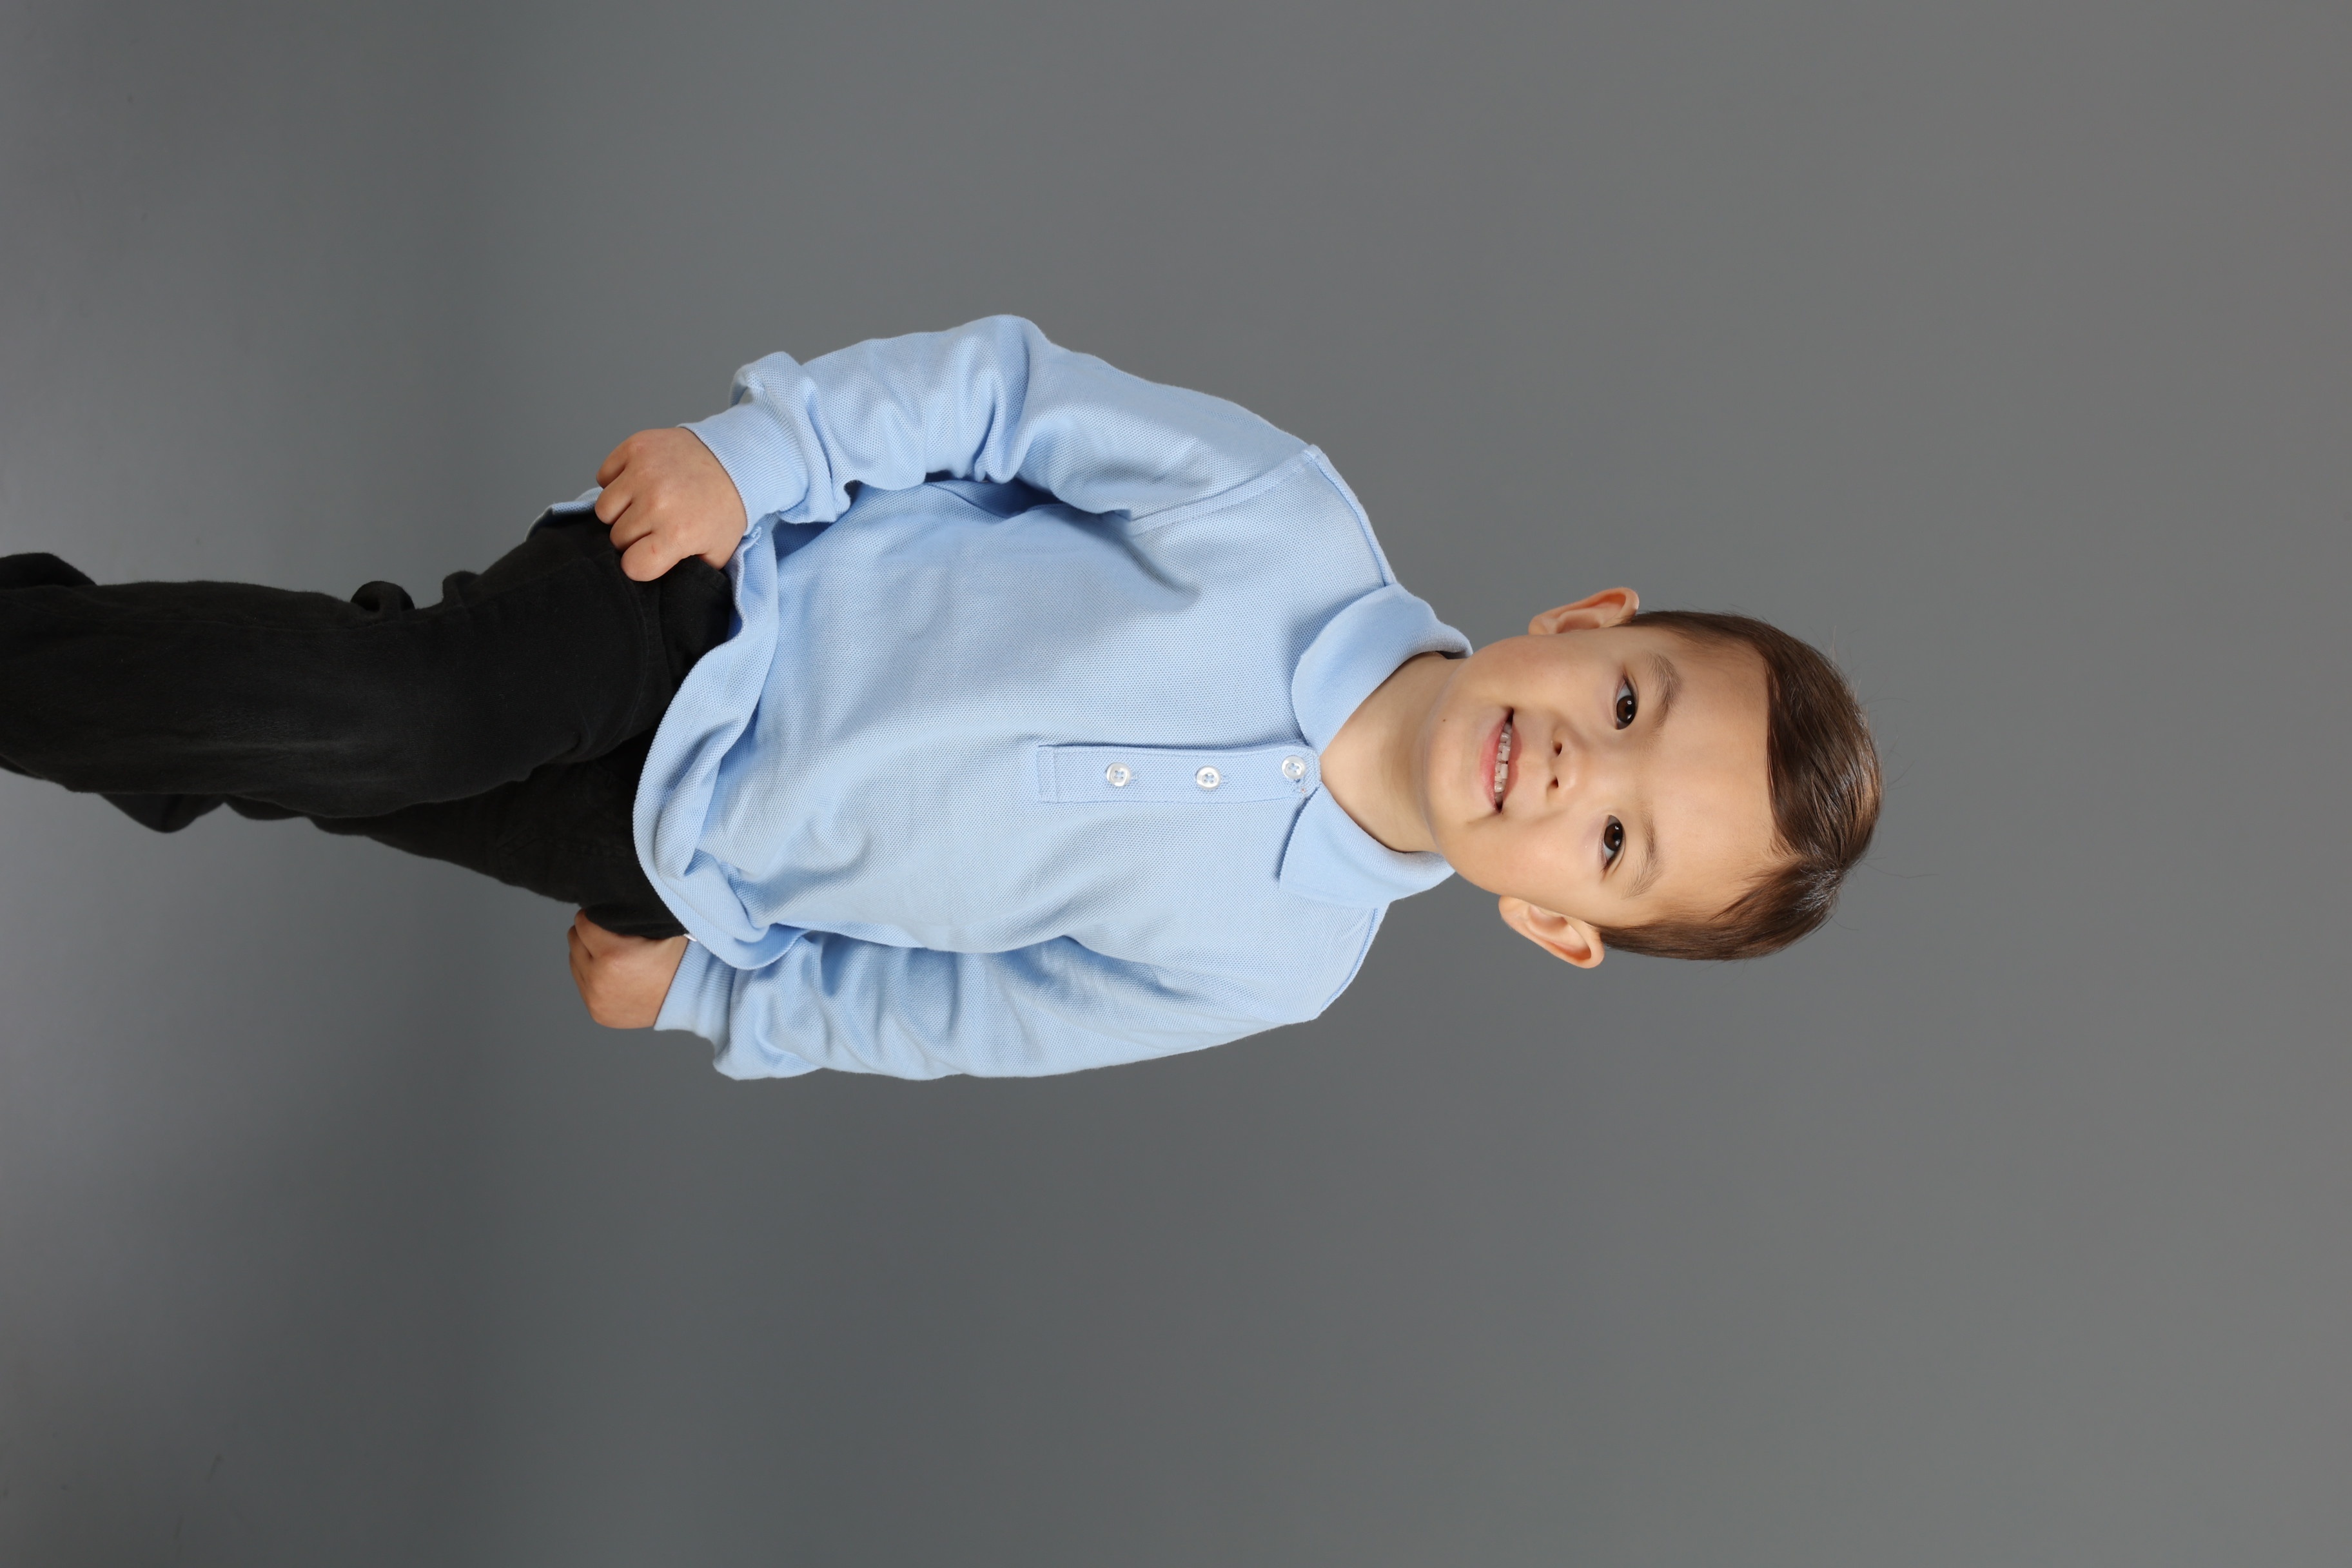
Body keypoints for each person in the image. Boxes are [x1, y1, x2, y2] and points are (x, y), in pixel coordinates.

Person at [0, 317, 1879, 1079]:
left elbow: (975, 1017)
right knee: (388, 721)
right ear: (1589, 618)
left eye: (1615, 841)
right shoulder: (1283, 522)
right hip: (709, 606)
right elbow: (1002, 399)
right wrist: (760, 455)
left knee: (321, 748)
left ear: (1558, 924)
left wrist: (723, 995)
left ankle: (79, 663)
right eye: (1628, 703)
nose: (1570, 772)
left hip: (687, 856)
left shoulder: (1280, 964)